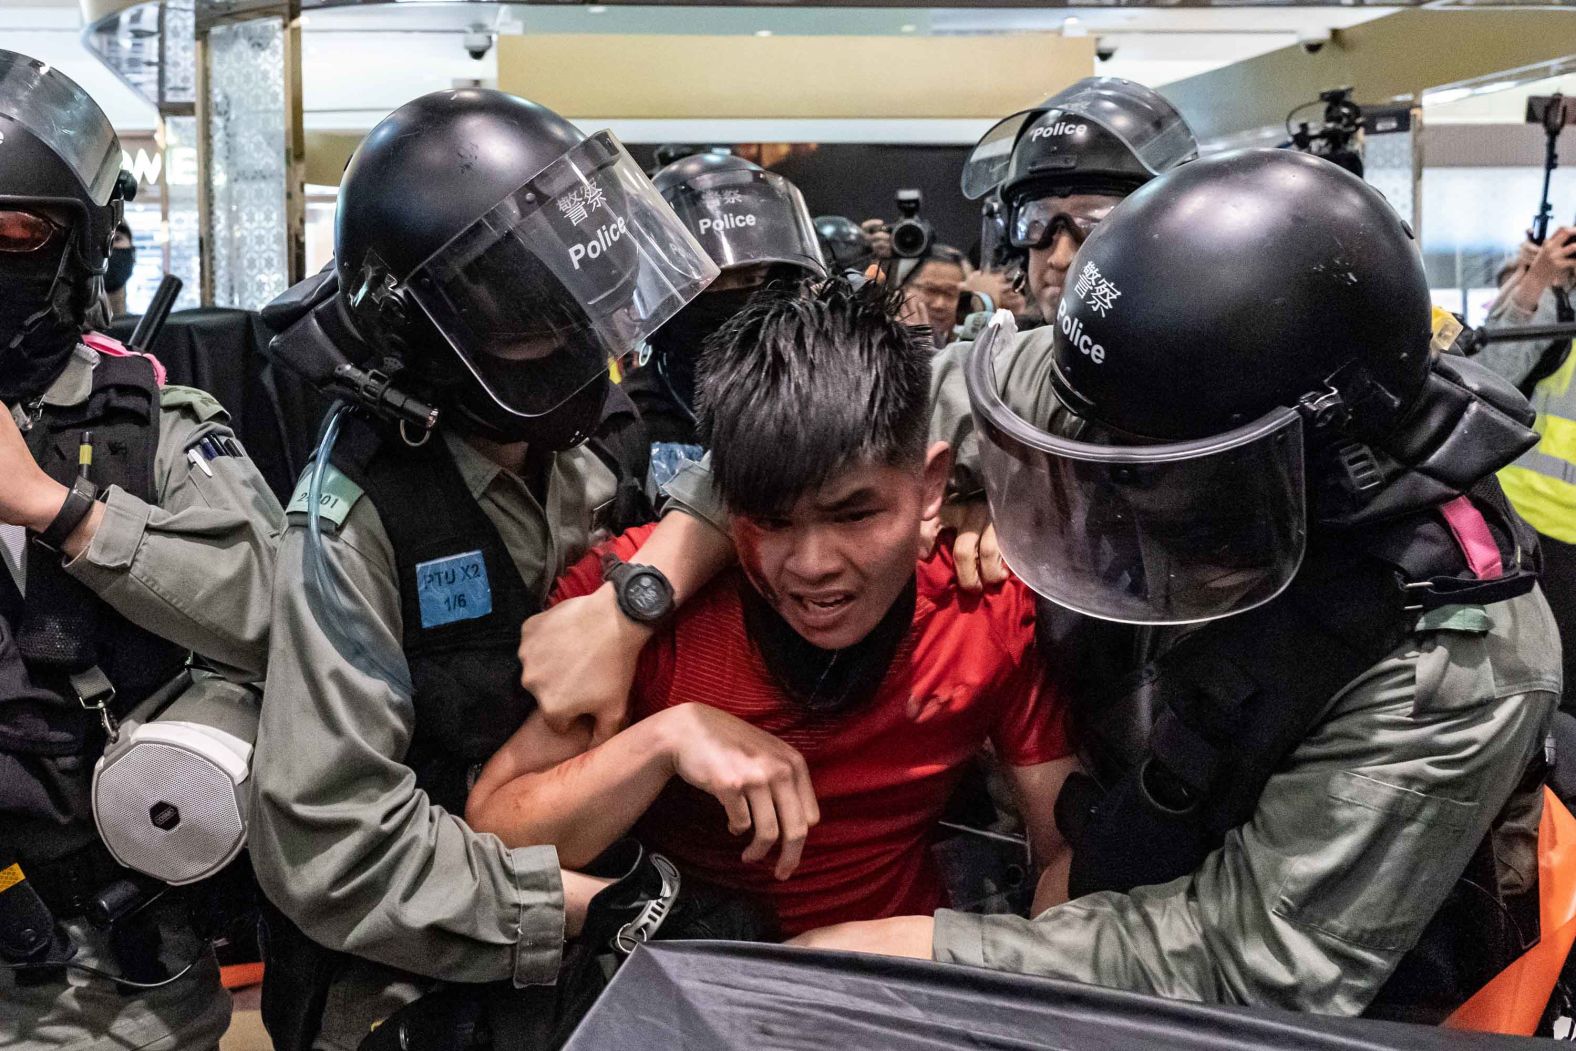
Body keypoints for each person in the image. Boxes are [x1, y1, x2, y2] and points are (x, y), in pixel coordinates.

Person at [788, 149, 1562, 1023]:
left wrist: (935, 953)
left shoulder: (1454, 653)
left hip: (1347, 982)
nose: (1112, 484)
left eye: (1148, 472)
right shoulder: (1142, 386)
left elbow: (1256, 966)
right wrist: (670, 562)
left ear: (1296, 459)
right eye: (1097, 453)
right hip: (1132, 834)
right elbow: (903, 406)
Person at [248, 87, 741, 1051]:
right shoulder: (354, 519)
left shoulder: (579, 452)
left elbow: (799, 455)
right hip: (412, 980)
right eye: (527, 327)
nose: (579, 347)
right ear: (431, 343)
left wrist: (641, 598)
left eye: (575, 312)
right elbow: (334, 848)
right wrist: (584, 906)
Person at [466, 281, 1076, 939]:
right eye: (772, 520)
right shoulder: (628, 616)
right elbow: (494, 837)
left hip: (899, 987)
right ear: (726, 500)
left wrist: (1018, 980)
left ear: (930, 487)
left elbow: (1063, 847)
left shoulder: (980, 602)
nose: (813, 563)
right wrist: (666, 740)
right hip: (683, 976)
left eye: (855, 513)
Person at [0, 50, 281, 1051]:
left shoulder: (152, 421)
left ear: (79, 244)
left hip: (93, 976)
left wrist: (61, 509)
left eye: (9, 227)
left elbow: (280, 618)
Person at [929, 76, 1199, 589]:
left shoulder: (1210, 357)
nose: (1059, 256)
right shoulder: (1007, 368)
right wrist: (984, 494)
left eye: (1096, 224)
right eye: (1038, 223)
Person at [624, 153, 826, 492]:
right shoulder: (630, 421)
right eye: (713, 283)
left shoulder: (824, 392)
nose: (735, 299)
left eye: (753, 277)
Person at [1479, 226, 1576, 708]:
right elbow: (1489, 376)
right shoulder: (1558, 311)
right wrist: (1532, 282)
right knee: (1530, 684)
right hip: (1532, 533)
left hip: (1547, 538)